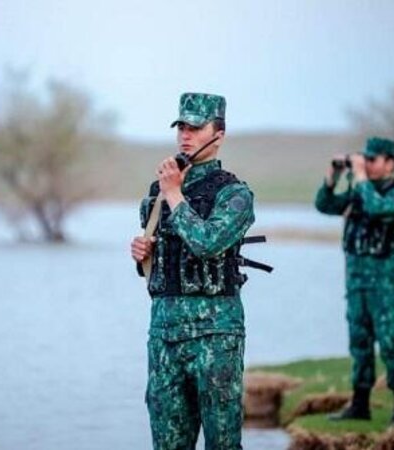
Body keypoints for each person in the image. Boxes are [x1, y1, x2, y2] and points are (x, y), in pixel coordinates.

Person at [130, 92, 267, 449]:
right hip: (164, 334)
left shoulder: (234, 195)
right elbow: (161, 265)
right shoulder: (156, 194)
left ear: (218, 134)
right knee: (167, 443)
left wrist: (175, 194)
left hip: (215, 334)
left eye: (195, 127)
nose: (185, 135)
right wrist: (143, 252)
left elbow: (207, 243)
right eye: (181, 127)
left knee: (222, 443)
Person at [314, 137, 394, 425]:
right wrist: (332, 176)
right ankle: (360, 405)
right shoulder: (360, 191)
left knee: (389, 342)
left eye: (373, 160)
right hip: (356, 279)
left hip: (385, 280)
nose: (367, 164)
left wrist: (359, 177)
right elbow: (324, 204)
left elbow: (376, 208)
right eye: (364, 159)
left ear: (390, 163)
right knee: (359, 341)